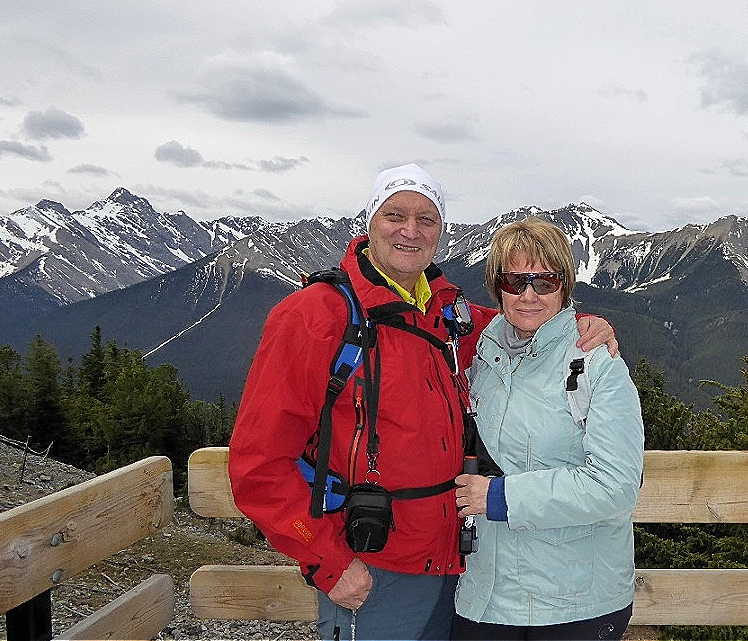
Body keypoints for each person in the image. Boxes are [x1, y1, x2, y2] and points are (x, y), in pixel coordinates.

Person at [228, 164, 617, 641]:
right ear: (369, 221)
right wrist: (326, 559)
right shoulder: (312, 317)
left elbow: (526, 318)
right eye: (395, 215)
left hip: (454, 570)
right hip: (370, 564)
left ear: (440, 232)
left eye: (426, 220)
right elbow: (257, 464)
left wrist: (584, 326)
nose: (410, 231)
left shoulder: (447, 316)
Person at [451, 216, 644, 640]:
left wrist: (501, 497)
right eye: (515, 280)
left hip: (576, 600)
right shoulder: (479, 356)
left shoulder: (597, 363)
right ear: (497, 285)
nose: (529, 295)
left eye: (545, 280)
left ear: (565, 285)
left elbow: (616, 485)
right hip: (487, 593)